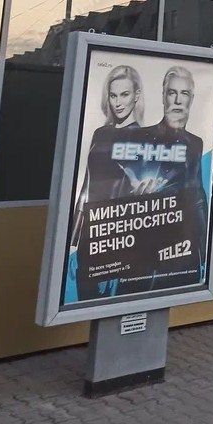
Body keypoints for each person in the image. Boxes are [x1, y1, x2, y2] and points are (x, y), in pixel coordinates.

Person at [116, 66, 209, 294]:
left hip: (182, 249)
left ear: (191, 99)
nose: (178, 100)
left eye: (184, 93)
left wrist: (204, 246)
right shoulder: (138, 136)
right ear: (163, 96)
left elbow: (198, 195)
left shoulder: (196, 143)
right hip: (142, 249)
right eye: (172, 92)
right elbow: (117, 193)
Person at [71, 65, 145, 300]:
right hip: (90, 230)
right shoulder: (100, 133)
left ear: (136, 95)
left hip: (119, 234)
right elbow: (87, 184)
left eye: (124, 94)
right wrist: (73, 240)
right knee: (85, 299)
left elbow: (138, 196)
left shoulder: (143, 138)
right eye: (113, 95)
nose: (118, 103)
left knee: (110, 301)